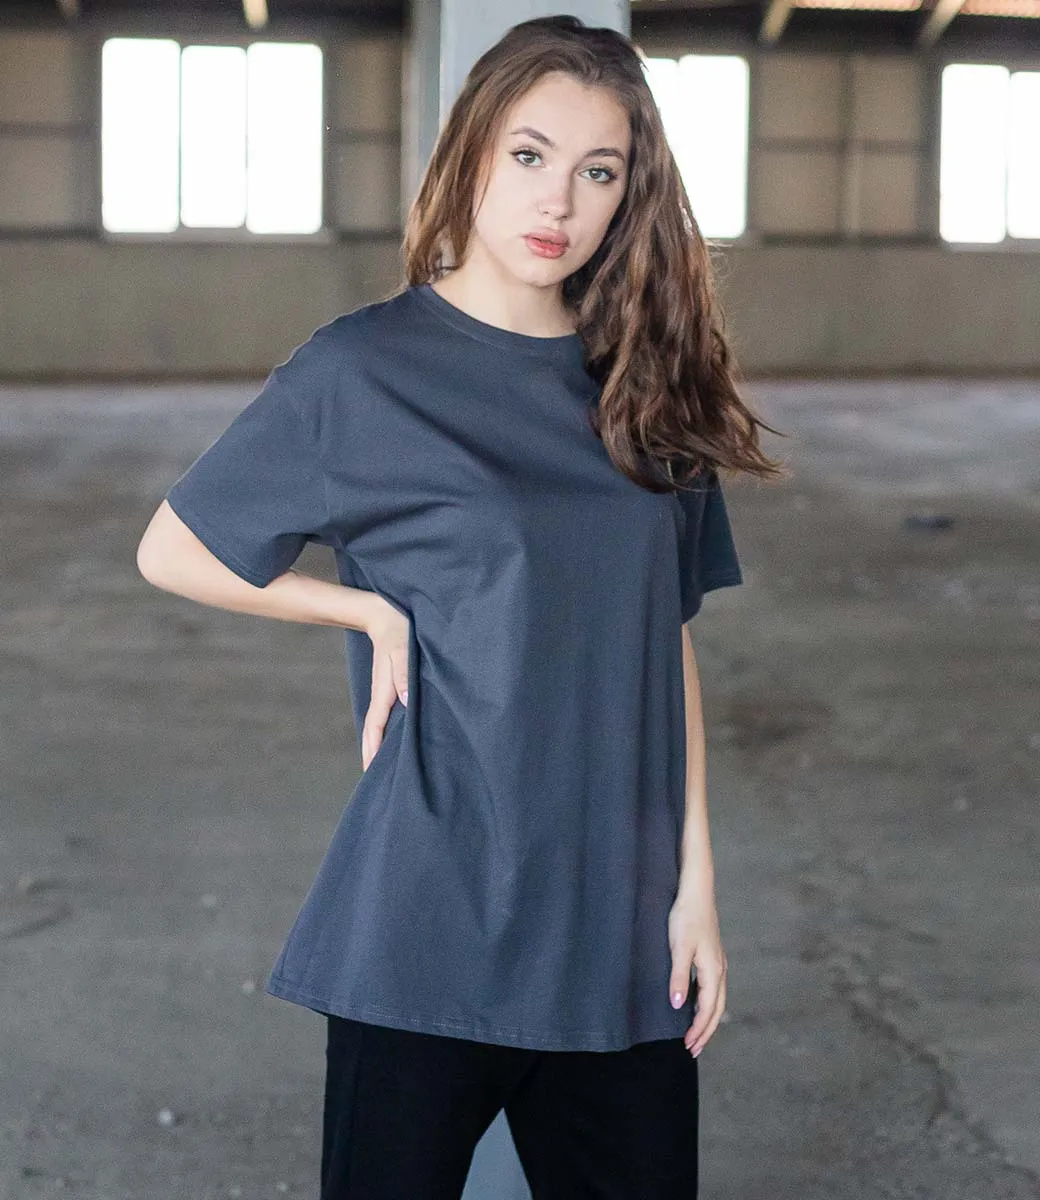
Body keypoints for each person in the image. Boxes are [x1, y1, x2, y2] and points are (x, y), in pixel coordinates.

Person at [136, 13, 784, 1199]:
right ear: (472, 149)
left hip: (616, 928)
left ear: (629, 195)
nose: (559, 201)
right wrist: (363, 614)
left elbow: (666, 646)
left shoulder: (641, 386)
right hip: (426, 913)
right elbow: (173, 547)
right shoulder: (363, 370)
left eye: (599, 172)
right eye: (529, 155)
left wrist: (694, 885)